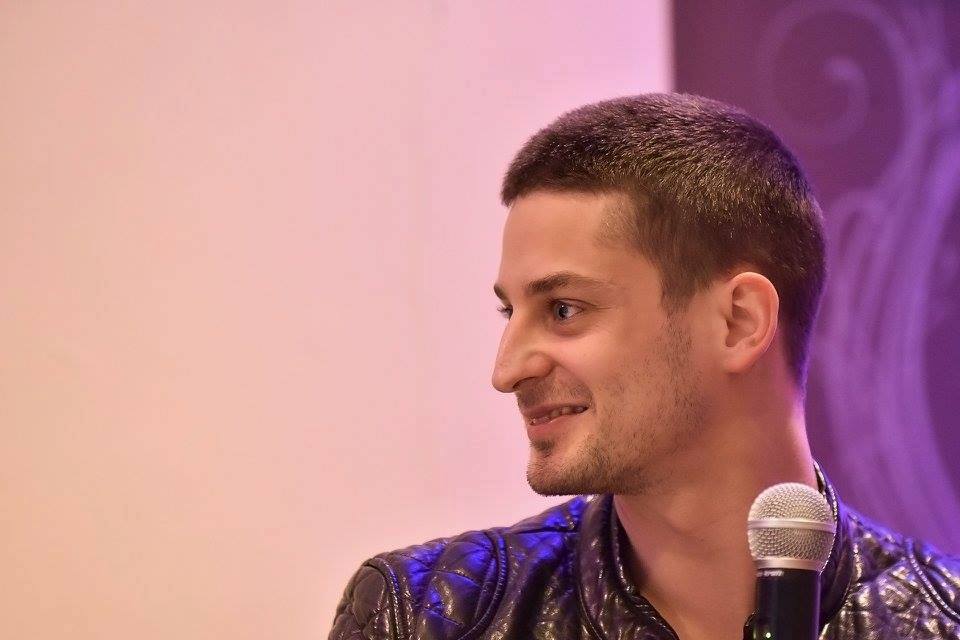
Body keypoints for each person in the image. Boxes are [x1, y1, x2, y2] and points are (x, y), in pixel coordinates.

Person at [328, 94, 960, 640]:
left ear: (738, 322)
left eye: (564, 309)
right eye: (509, 312)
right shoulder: (423, 617)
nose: (507, 370)